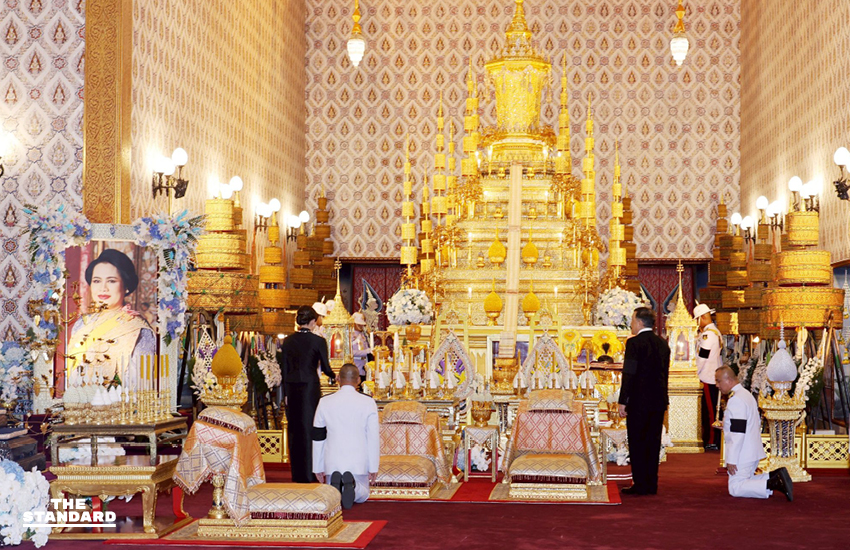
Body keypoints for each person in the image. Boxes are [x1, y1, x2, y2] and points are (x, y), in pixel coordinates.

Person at [66, 249, 156, 382]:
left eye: (111, 281)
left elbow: (139, 384)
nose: (103, 288)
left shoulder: (138, 329)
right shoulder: (82, 323)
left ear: (126, 286)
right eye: (97, 281)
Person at [715, 366, 793, 501]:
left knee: (735, 487)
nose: (717, 385)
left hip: (743, 452)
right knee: (747, 479)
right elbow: (751, 423)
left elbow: (738, 433)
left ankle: (773, 482)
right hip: (751, 449)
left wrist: (731, 459)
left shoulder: (736, 400)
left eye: (718, 381)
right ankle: (773, 476)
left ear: (728, 380)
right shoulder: (746, 394)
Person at [278, 306, 336, 483]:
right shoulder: (318, 341)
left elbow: (284, 370)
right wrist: (336, 377)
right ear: (312, 322)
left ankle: (298, 474)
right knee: (311, 427)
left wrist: (286, 393)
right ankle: (312, 472)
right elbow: (326, 368)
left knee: (295, 430)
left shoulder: (287, 341)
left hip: (292, 388)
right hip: (310, 388)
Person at [617, 307, 670, 495]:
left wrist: (623, 400)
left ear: (640, 322)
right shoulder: (663, 343)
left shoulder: (634, 343)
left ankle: (640, 484)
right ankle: (651, 483)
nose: (631, 323)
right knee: (653, 442)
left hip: (639, 401)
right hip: (657, 400)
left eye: (632, 320)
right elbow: (665, 374)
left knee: (638, 442)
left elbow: (629, 374)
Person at [312, 364, 379, 508]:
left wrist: (317, 466)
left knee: (331, 494)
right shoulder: (368, 402)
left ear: (338, 379)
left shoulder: (324, 401)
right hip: (359, 463)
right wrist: (373, 467)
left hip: (332, 463)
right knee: (364, 494)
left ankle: (337, 487)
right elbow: (373, 437)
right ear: (358, 381)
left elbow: (318, 436)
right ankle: (354, 488)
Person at [694, 303, 723, 450]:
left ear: (703, 317)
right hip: (710, 375)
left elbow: (702, 357)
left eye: (697, 319)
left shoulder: (708, 334)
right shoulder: (712, 331)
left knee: (711, 412)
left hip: (707, 376)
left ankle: (712, 440)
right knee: (710, 410)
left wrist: (694, 373)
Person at [351, 312, 372, 385]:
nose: (361, 326)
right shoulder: (350, 334)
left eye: (362, 325)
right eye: (359, 324)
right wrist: (366, 352)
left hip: (363, 365)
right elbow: (350, 352)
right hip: (356, 365)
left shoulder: (362, 334)